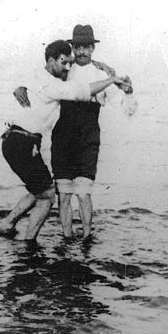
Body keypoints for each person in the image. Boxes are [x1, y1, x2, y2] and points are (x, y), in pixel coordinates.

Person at [0, 40, 131, 240]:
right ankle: (28, 242)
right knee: (48, 195)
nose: (67, 67)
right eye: (63, 62)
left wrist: (19, 86)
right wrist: (112, 79)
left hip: (18, 140)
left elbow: (25, 78)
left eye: (69, 63)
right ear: (51, 60)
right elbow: (79, 91)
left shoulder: (42, 75)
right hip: (23, 141)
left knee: (42, 188)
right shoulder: (55, 84)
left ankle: (7, 222)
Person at [48, 24, 135, 239]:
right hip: (62, 139)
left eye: (86, 47)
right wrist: (19, 88)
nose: (81, 52)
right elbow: (39, 84)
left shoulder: (102, 73)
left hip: (88, 139)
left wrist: (130, 93)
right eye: (77, 47)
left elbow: (127, 108)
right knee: (65, 195)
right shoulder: (64, 71)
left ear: (93, 48)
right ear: (72, 47)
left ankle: (87, 238)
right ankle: (66, 238)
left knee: (84, 193)